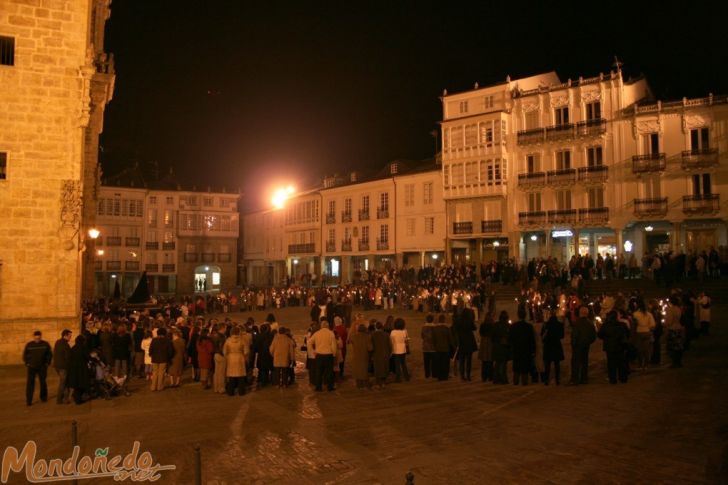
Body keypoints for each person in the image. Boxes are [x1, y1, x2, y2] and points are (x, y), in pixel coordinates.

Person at [598, 310, 629, 384]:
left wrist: (606, 338)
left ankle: (613, 379)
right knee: (621, 362)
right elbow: (627, 334)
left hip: (610, 346)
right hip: (620, 346)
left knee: (611, 363)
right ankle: (623, 378)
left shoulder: (605, 325)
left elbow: (600, 335)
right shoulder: (622, 325)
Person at [23, 330, 52, 406]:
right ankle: (29, 400)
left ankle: (43, 397)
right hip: (32, 367)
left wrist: (47, 363)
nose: (37, 340)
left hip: (42, 366)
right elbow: (25, 355)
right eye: (36, 338)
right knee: (30, 384)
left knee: (43, 382)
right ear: (34, 337)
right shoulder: (29, 345)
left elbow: (49, 354)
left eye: (39, 338)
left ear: (40, 337)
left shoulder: (45, 344)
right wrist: (27, 363)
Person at [508, 306, 535, 386]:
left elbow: (510, 338)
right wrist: (533, 350)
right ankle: (524, 381)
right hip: (526, 350)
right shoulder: (529, 327)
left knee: (517, 366)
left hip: (517, 349)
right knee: (525, 367)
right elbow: (531, 339)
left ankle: (516, 381)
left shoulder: (513, 326)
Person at [570, 306, 597, 385]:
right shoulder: (590, 323)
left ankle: (575, 379)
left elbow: (574, 335)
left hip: (577, 345)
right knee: (584, 362)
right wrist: (588, 342)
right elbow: (593, 335)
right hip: (586, 345)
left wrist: (573, 344)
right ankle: (584, 378)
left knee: (576, 362)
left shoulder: (577, 323)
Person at [310, 320, 337, 391]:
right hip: (328, 355)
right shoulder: (331, 333)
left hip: (319, 355)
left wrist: (314, 351)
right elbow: (334, 345)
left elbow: (309, 342)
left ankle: (318, 387)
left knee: (319, 372)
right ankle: (330, 387)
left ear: (321, 326)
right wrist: (334, 354)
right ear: (327, 326)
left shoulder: (317, 333)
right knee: (329, 372)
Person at [453, 303, 477, 381]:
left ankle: (462, 375)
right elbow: (474, 328)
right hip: (469, 341)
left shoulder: (458, 320)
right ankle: (468, 375)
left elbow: (455, 329)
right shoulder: (469, 321)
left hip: (461, 341)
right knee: (469, 360)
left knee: (462, 360)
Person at [541, 313, 564, 385]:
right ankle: (557, 380)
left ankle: (546, 380)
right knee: (557, 364)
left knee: (547, 365)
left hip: (548, 346)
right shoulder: (559, 325)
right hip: (556, 346)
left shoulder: (546, 325)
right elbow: (562, 336)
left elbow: (542, 336)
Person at [632, 299, 656, 371]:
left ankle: (640, 364)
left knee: (639, 349)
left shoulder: (635, 314)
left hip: (639, 332)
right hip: (647, 332)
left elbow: (634, 324)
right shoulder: (649, 314)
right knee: (646, 350)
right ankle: (646, 365)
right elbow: (653, 325)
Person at [68, 335, 91, 405]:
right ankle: (79, 399)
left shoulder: (73, 348)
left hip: (74, 369)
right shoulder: (83, 348)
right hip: (82, 368)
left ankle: (77, 399)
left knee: (76, 384)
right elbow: (87, 357)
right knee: (81, 383)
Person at [149, 327, 174, 391]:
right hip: (163, 358)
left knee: (155, 373)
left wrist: (151, 355)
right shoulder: (167, 340)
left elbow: (150, 349)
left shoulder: (154, 340)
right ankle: (160, 386)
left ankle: (153, 387)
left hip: (154, 358)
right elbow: (170, 350)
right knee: (161, 373)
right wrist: (169, 357)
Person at [349, 324, 373, 388]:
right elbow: (370, 348)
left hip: (356, 355)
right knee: (364, 370)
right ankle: (365, 383)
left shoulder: (354, 336)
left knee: (357, 369)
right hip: (364, 355)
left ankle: (358, 384)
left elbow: (350, 342)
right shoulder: (367, 337)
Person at [224, 327, 247, 395]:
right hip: (240, 357)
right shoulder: (242, 340)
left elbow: (224, 351)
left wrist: (227, 356)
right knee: (241, 376)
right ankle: (241, 392)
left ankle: (231, 392)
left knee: (231, 376)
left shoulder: (228, 340)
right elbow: (246, 351)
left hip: (231, 358)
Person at [53, 329, 72, 404]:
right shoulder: (65, 344)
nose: (70, 338)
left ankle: (65, 398)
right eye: (69, 336)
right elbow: (68, 356)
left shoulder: (58, 342)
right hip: (63, 366)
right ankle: (59, 399)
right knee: (63, 383)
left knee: (65, 382)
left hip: (57, 366)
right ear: (65, 335)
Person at [431, 314, 453, 381]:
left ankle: (439, 376)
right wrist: (453, 346)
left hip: (438, 348)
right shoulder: (447, 328)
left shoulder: (435, 329)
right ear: (444, 320)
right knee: (445, 363)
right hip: (446, 348)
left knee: (439, 363)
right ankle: (445, 376)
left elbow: (433, 339)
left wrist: (435, 346)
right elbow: (450, 339)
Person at [664, 295, 684, 368]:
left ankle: (674, 362)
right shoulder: (679, 309)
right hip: (679, 328)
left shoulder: (670, 309)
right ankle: (679, 361)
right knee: (678, 346)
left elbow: (669, 321)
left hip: (672, 329)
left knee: (673, 346)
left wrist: (665, 323)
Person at [370, 321, 391, 388]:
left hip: (376, 354)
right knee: (384, 368)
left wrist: (371, 354)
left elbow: (371, 346)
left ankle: (378, 383)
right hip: (385, 354)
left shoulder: (373, 335)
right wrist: (389, 353)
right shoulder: (386, 334)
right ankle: (383, 382)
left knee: (377, 369)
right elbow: (389, 345)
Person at [492, 311, 511, 384]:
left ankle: (496, 378)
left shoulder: (496, 325)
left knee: (498, 363)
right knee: (503, 364)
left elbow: (492, 337)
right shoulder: (507, 326)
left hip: (497, 347)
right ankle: (502, 378)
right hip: (503, 347)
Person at [390, 318, 410, 382]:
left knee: (397, 365)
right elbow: (406, 340)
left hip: (396, 350)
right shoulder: (404, 331)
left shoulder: (393, 332)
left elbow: (391, 340)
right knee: (403, 363)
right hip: (403, 349)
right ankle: (406, 377)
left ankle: (398, 378)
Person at [477, 313, 495, 382]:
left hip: (484, 342)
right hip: (490, 342)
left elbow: (481, 333)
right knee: (490, 361)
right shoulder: (492, 325)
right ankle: (490, 376)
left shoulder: (483, 324)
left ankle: (484, 376)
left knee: (484, 361)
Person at [211, 324, 227, 393]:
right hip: (221, 355)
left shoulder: (214, 335)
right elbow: (221, 347)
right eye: (225, 328)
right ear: (222, 328)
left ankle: (216, 387)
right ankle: (221, 388)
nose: (226, 329)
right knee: (221, 373)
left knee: (216, 372)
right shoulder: (222, 337)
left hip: (215, 354)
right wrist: (224, 354)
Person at [421, 313, 436, 378]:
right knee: (434, 362)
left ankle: (427, 375)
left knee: (426, 362)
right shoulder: (435, 327)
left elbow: (422, 336)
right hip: (433, 347)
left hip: (426, 347)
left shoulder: (423, 327)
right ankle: (434, 374)